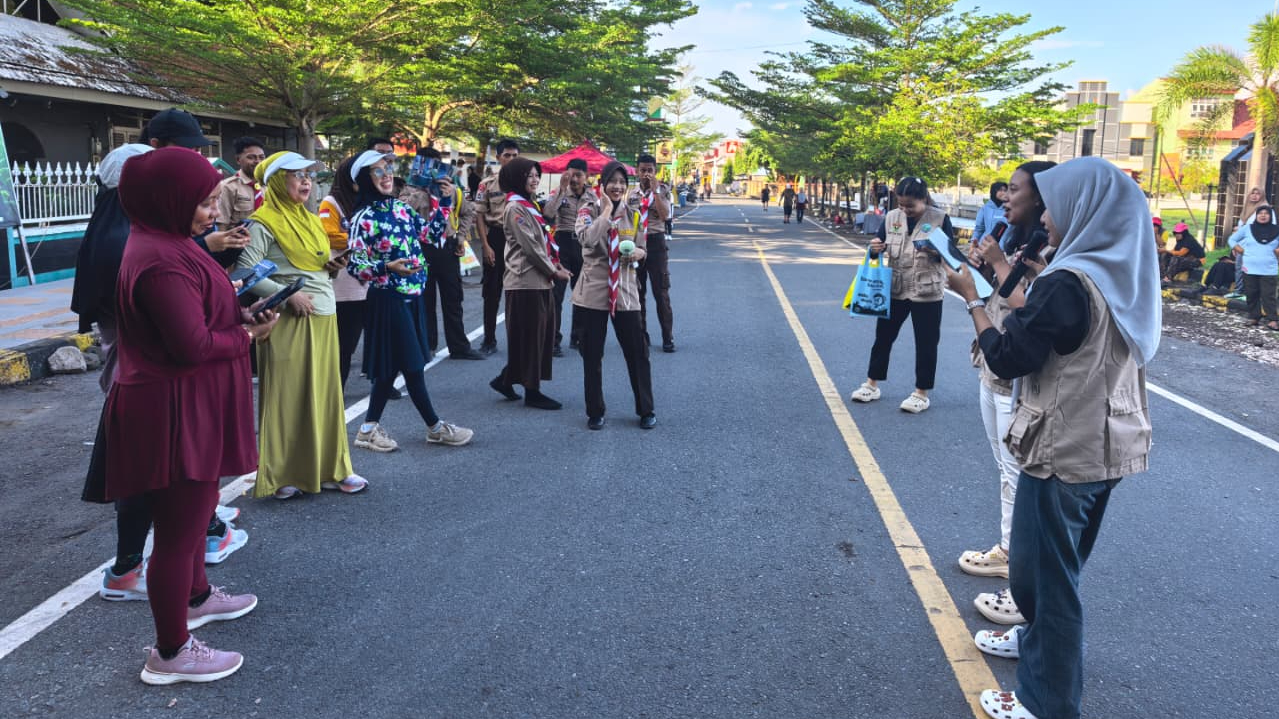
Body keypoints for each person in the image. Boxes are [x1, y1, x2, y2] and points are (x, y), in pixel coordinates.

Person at [945, 156, 1160, 719]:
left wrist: (971, 298)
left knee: (1044, 582)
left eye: (1055, 206)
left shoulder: (1066, 281)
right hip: (1109, 443)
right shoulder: (1121, 273)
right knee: (1056, 569)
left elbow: (1008, 356)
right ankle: (1034, 647)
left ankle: (1046, 702)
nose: (1046, 219)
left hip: (1062, 448)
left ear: (1082, 208)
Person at [97, 147, 277, 684]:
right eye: (203, 203)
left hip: (184, 400)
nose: (213, 212)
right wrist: (247, 335)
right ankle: (171, 651)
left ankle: (196, 596)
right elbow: (191, 345)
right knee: (179, 529)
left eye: (213, 201)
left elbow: (197, 315)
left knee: (198, 513)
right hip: (172, 407)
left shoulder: (168, 242)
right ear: (168, 200)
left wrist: (237, 312)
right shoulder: (161, 260)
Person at [959, 160, 1055, 630]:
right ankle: (1006, 550)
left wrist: (995, 268)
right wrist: (980, 269)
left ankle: (1019, 572)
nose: (1005, 197)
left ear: (1042, 198)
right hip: (994, 363)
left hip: (1019, 377)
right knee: (1004, 468)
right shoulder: (1019, 239)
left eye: (1014, 190)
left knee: (1018, 473)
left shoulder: (1057, 251)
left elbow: (1034, 309)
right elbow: (1004, 297)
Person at [236, 151, 366, 499]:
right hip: (285, 319)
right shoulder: (262, 222)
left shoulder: (309, 219)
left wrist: (332, 267)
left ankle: (331, 469)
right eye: (297, 175)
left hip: (323, 313)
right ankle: (282, 475)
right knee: (287, 397)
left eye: (309, 175)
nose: (306, 181)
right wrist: (287, 294)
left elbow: (315, 265)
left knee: (325, 396)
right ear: (279, 182)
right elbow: (245, 271)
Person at [346, 150, 475, 450]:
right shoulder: (362, 218)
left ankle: (367, 429)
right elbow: (355, 266)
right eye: (378, 171)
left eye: (388, 168)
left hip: (413, 295)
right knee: (413, 365)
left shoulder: (401, 208)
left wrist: (445, 201)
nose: (387, 175)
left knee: (392, 366)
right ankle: (435, 427)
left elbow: (431, 235)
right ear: (364, 179)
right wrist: (386, 267)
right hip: (388, 299)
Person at [848, 176, 956, 413]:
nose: (905, 210)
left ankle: (921, 393)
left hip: (927, 291)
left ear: (924, 199)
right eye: (901, 204)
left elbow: (951, 255)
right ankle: (871, 384)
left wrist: (935, 251)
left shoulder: (940, 219)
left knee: (926, 343)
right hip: (896, 288)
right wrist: (874, 249)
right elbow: (878, 246)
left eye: (911, 205)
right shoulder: (891, 217)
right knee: (883, 338)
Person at [573, 160, 656, 430]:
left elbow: (643, 248)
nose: (618, 187)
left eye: (622, 182)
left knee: (637, 353)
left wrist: (638, 253)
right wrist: (607, 212)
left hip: (626, 290)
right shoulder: (588, 210)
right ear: (603, 184)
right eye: (613, 182)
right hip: (594, 290)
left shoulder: (634, 214)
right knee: (592, 354)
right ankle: (595, 411)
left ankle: (646, 409)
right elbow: (587, 240)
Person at [488, 157, 573, 409]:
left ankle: (506, 380)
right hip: (525, 280)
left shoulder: (529, 204)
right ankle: (532, 392)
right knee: (531, 338)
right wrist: (553, 271)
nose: (535, 180)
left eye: (537, 175)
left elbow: (544, 239)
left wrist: (556, 265)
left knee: (538, 336)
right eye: (530, 176)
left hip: (539, 280)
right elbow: (531, 247)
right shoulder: (515, 208)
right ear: (517, 178)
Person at [400, 148, 485, 360]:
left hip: (447, 247)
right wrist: (423, 192)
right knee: (425, 300)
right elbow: (402, 212)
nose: (432, 171)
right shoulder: (409, 189)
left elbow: (468, 212)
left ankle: (459, 346)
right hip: (421, 248)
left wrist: (461, 237)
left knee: (453, 299)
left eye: (436, 165)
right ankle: (427, 345)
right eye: (427, 165)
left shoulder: (452, 189)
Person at [318, 155, 370, 387]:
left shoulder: (368, 200)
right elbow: (328, 235)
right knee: (344, 344)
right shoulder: (331, 202)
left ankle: (382, 383)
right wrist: (363, 238)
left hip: (372, 280)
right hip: (346, 285)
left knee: (379, 337)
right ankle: (336, 388)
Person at [542, 158, 598, 354]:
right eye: (570, 175)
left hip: (584, 245)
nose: (574, 179)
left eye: (578, 176)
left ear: (586, 176)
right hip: (562, 243)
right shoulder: (558, 192)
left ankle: (578, 336)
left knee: (582, 294)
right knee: (556, 295)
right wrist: (561, 189)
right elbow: (548, 214)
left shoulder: (594, 196)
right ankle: (553, 340)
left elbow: (599, 221)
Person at [476, 139, 522, 354]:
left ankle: (517, 341)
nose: (511, 159)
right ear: (498, 157)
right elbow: (479, 215)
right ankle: (489, 340)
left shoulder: (524, 182)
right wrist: (485, 246)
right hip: (495, 237)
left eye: (515, 156)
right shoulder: (487, 184)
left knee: (518, 293)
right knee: (491, 293)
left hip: (518, 239)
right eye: (507, 155)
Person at [628, 154, 677, 353]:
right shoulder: (631, 194)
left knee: (661, 293)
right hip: (637, 244)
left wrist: (655, 191)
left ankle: (667, 337)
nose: (646, 174)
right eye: (643, 170)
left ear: (655, 171)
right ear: (637, 171)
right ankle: (642, 336)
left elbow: (665, 215)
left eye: (650, 170)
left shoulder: (664, 191)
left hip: (656, 242)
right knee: (638, 293)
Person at [1228, 204, 1279, 330]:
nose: (1263, 215)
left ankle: (1272, 319)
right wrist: (1241, 250)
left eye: (1266, 213)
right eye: (1260, 213)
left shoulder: (1276, 230)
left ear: (1270, 216)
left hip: (1269, 269)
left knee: (1268, 295)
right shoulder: (1248, 228)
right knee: (1251, 294)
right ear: (1256, 216)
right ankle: (1254, 317)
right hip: (1249, 267)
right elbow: (1232, 240)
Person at [217, 137, 266, 226]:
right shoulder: (228, 187)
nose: (258, 161)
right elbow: (221, 224)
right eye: (251, 157)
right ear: (238, 159)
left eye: (261, 157)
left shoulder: (268, 186)